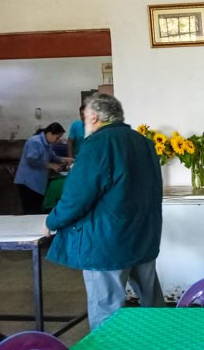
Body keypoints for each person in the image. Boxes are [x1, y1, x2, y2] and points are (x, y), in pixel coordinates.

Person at [44, 94, 165, 331]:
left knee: (107, 308)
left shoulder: (97, 145)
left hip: (106, 239)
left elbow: (77, 195)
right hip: (143, 233)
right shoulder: (143, 142)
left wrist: (52, 221)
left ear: (93, 117)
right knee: (152, 302)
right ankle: (162, 343)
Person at [14, 122, 71, 215]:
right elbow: (31, 160)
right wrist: (51, 165)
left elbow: (53, 157)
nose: (57, 141)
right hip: (28, 183)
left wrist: (66, 159)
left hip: (37, 184)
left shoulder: (48, 144)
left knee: (36, 211)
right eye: (57, 138)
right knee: (31, 213)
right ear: (49, 134)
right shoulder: (35, 142)